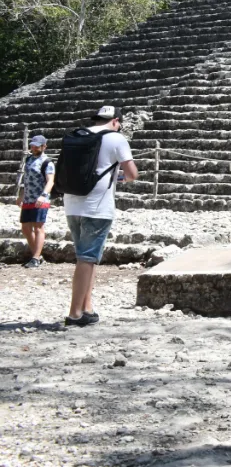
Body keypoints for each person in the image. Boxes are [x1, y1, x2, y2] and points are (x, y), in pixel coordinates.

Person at [62, 106, 138, 327]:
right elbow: (132, 174)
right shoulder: (116, 138)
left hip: (72, 202)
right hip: (97, 205)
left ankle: (87, 307)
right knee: (87, 258)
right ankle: (75, 313)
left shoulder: (79, 135)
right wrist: (120, 178)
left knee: (88, 257)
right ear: (116, 121)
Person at [17, 134, 56, 268]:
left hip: (41, 199)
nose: (33, 148)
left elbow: (50, 181)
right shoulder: (28, 160)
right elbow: (26, 180)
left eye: (37, 146)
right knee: (25, 227)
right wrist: (22, 195)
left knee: (38, 227)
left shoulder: (47, 162)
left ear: (44, 146)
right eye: (32, 145)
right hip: (28, 198)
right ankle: (37, 255)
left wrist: (43, 195)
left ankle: (35, 257)